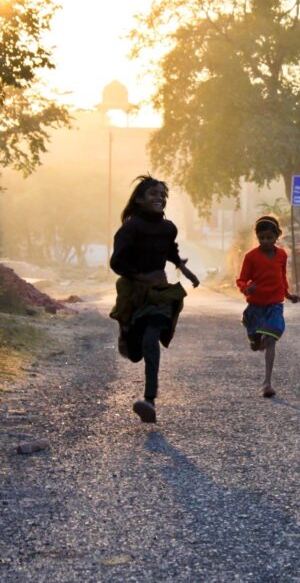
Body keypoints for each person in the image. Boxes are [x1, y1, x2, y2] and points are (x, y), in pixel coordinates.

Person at [109, 175, 199, 423]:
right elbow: (116, 262)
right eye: (153, 194)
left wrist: (185, 270)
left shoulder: (168, 228)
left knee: (152, 339)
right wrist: (141, 276)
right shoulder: (130, 228)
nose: (159, 198)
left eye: (162, 195)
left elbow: (171, 251)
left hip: (159, 293)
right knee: (135, 353)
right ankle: (126, 331)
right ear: (139, 200)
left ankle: (149, 400)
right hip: (133, 292)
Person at [235, 215, 300, 398]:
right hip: (256, 306)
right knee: (256, 346)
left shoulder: (282, 255)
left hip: (274, 305)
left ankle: (267, 383)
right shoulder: (251, 257)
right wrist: (246, 288)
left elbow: (282, 277)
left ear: (277, 236)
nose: (265, 241)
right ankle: (256, 336)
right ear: (257, 237)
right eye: (261, 237)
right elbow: (241, 279)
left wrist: (288, 295)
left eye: (269, 237)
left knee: (271, 340)